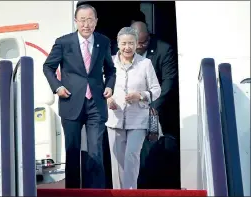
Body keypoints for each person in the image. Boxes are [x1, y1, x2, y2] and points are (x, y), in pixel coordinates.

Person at [43, 4, 116, 189]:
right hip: (70, 101)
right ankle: (73, 191)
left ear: (96, 21)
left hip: (96, 104)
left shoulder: (103, 41)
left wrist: (109, 86)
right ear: (76, 21)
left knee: (96, 150)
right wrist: (57, 87)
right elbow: (48, 67)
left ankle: (96, 191)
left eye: (90, 19)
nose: (86, 24)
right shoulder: (63, 42)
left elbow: (110, 70)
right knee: (72, 151)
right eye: (82, 20)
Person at [106, 27, 161, 189]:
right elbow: (100, 87)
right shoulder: (109, 62)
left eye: (131, 43)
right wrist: (108, 99)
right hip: (114, 118)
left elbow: (156, 90)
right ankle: (118, 192)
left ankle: (130, 191)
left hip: (138, 118)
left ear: (137, 44)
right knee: (117, 161)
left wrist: (141, 95)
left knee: (131, 155)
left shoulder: (145, 63)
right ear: (117, 44)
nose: (127, 47)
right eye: (123, 43)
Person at [130, 21, 180, 189]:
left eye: (144, 42)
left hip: (155, 110)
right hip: (129, 111)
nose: (141, 46)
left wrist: (152, 108)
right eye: (138, 43)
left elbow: (168, 83)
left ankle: (148, 188)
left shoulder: (163, 50)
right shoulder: (122, 48)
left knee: (150, 151)